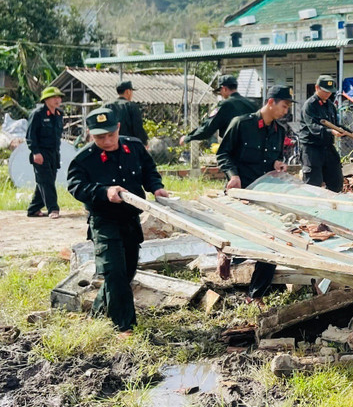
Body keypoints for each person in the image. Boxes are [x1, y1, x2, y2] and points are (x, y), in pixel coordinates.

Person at [67, 107, 169, 337]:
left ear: (118, 128)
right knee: (114, 272)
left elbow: (149, 170)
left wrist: (156, 187)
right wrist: (104, 191)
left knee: (128, 269)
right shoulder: (84, 159)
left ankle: (97, 312)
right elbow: (76, 187)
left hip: (131, 218)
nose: (107, 140)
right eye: (100, 137)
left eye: (110, 134)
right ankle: (124, 327)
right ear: (90, 134)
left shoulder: (133, 147)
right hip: (104, 221)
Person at [216, 85, 292, 300]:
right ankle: (225, 253)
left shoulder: (279, 131)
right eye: (284, 106)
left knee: (272, 240)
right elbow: (223, 154)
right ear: (270, 102)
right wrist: (233, 175)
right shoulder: (241, 124)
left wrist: (278, 164)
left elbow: (274, 159)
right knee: (237, 237)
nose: (285, 111)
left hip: (265, 194)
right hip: (240, 191)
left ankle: (255, 295)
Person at [297, 74, 353, 193]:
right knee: (313, 183)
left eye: (330, 92)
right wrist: (331, 131)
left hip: (327, 147)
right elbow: (313, 128)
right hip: (312, 149)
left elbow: (336, 125)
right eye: (325, 91)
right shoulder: (310, 105)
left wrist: (351, 133)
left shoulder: (330, 106)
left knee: (336, 180)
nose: (328, 94)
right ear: (317, 88)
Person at [179, 75, 257, 145]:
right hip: (253, 148)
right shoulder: (252, 104)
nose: (221, 94)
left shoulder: (225, 105)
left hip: (234, 149)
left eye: (220, 91)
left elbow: (208, 128)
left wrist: (188, 137)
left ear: (224, 89)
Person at [25, 86, 65, 219]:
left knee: (46, 180)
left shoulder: (59, 114)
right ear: (46, 99)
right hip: (41, 152)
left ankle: (34, 208)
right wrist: (35, 152)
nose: (57, 100)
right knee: (46, 180)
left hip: (54, 153)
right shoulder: (37, 114)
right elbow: (31, 136)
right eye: (54, 97)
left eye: (59, 97)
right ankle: (53, 208)